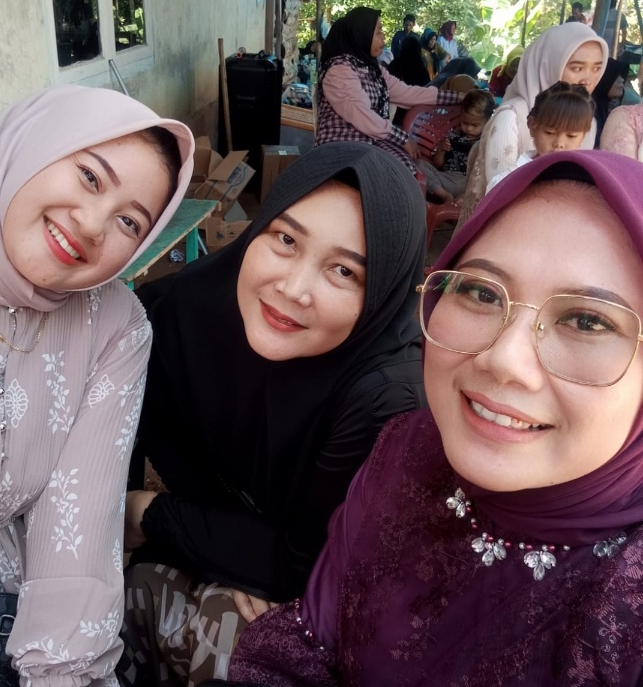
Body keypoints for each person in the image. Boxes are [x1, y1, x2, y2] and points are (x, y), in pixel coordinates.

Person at [222, 149, 643, 686]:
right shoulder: (409, 450)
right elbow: (310, 640)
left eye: (587, 322)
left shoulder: (624, 601)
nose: (504, 361)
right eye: (481, 291)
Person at [118, 142, 428, 687]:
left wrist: (147, 512)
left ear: (380, 292)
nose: (293, 289)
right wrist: (232, 546)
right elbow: (141, 436)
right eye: (285, 239)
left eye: (343, 271)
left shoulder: (384, 399)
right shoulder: (188, 307)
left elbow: (302, 566)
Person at [0, 85, 194, 685]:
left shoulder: (113, 325)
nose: (93, 226)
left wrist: (59, 674)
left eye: (129, 221)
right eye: (90, 177)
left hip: (11, 622)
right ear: (31, 145)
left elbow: (80, 530)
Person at [457, 22, 606, 227]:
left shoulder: (588, 123)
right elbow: (500, 202)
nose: (587, 79)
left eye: (597, 68)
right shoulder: (511, 118)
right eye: (577, 68)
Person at [315, 7, 462, 176]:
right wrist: (402, 138)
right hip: (342, 153)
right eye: (378, 32)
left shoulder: (372, 69)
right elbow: (363, 116)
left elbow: (407, 93)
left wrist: (457, 97)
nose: (383, 37)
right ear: (361, 34)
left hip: (367, 146)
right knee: (398, 173)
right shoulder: (339, 71)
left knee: (412, 170)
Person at [486, 81, 594, 193]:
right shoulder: (506, 182)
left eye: (571, 136)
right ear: (532, 126)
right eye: (549, 132)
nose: (559, 143)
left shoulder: (588, 182)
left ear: (583, 136)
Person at [416, 89, 496, 204]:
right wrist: (441, 149)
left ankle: (464, 197)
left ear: (487, 121)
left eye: (475, 125)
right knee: (418, 165)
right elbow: (437, 164)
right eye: (465, 123)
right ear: (461, 117)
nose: (469, 128)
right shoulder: (452, 136)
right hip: (446, 179)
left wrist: (468, 193)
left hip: (468, 183)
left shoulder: (485, 141)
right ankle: (444, 195)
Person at [591, 58, 629, 146]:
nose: (622, 80)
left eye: (622, 76)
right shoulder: (590, 112)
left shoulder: (607, 108)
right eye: (616, 76)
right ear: (604, 78)